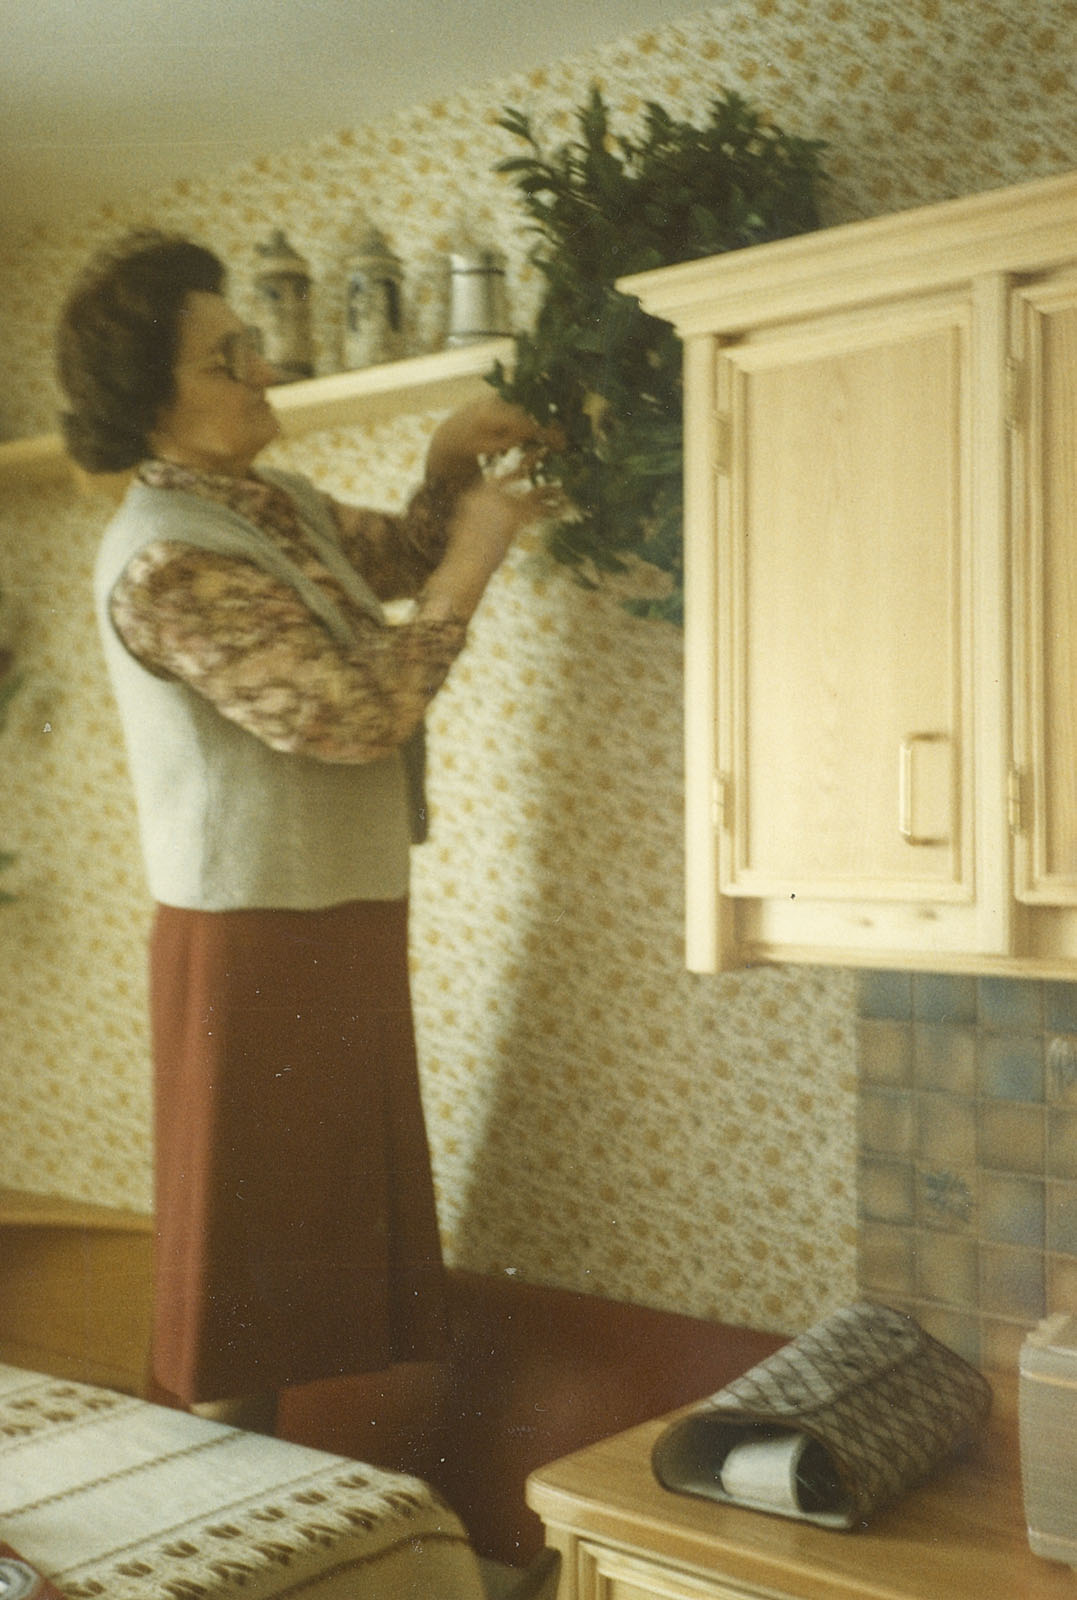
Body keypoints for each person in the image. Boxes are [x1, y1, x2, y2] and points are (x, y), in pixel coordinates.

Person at [56, 230, 554, 1431]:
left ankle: (273, 1505)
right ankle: (215, 1512)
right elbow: (353, 714)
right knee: (246, 1266)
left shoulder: (271, 503)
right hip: (247, 935)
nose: (263, 371)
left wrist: (445, 465)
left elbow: (405, 556)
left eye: (251, 347)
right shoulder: (164, 560)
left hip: (333, 910)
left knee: (305, 1236)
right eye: (228, 359)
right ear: (151, 403)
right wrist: (477, 555)